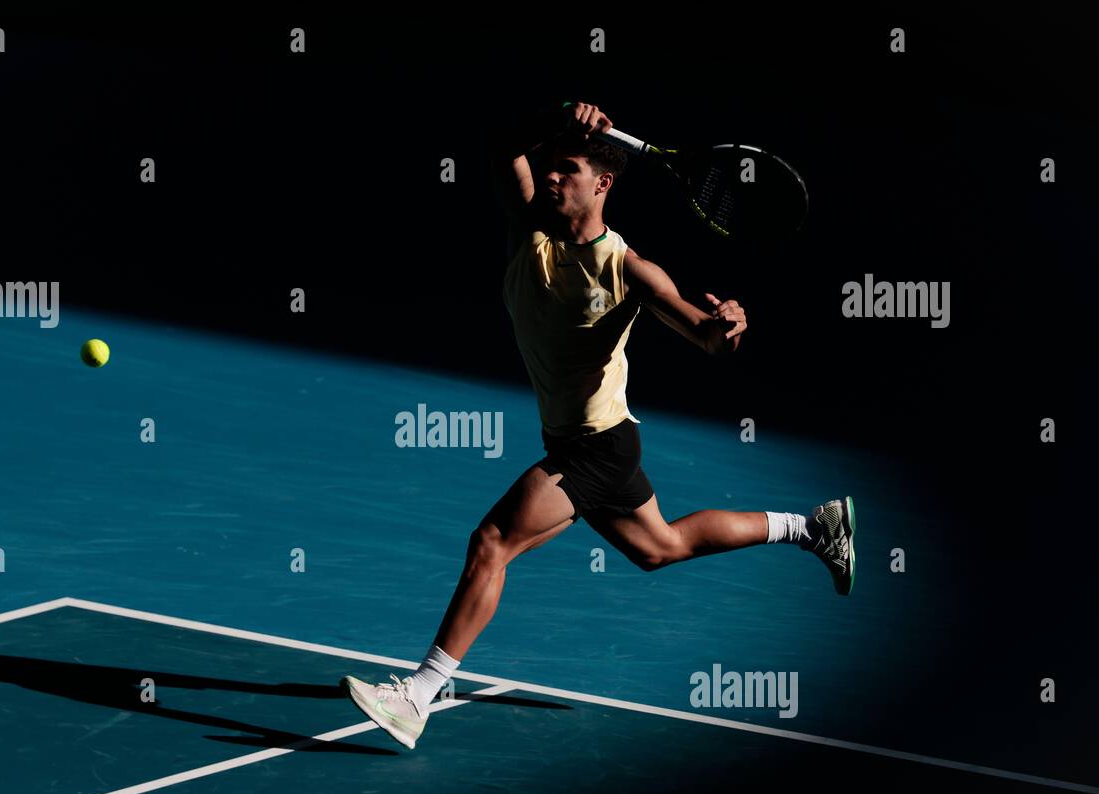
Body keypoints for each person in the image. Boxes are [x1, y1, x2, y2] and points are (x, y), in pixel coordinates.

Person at [343, 102, 854, 749]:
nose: (552, 178)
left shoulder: (629, 270)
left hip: (598, 450)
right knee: (659, 547)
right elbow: (503, 144)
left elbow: (707, 340)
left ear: (603, 184)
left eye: (568, 169)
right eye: (550, 168)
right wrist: (560, 123)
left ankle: (416, 696)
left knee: (492, 542)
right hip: (576, 441)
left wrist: (729, 326)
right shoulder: (528, 225)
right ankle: (814, 527)